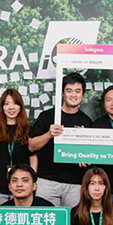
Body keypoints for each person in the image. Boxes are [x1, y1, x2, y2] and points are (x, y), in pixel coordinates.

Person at [30, 73, 95, 207]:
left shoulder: (87, 121)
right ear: (62, 93)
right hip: (47, 181)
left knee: (73, 219)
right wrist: (49, 134)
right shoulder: (47, 116)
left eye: (77, 91)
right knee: (46, 219)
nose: (73, 95)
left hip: (75, 183)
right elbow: (31, 146)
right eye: (69, 90)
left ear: (83, 94)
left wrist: (86, 157)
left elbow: (89, 151)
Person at [0, 89, 35, 205]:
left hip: (22, 188)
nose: (11, 107)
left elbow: (33, 160)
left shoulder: (28, 130)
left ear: (20, 106)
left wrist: (31, 183)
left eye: (15, 103)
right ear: (2, 107)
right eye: (7, 104)